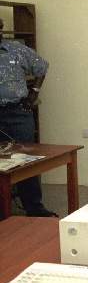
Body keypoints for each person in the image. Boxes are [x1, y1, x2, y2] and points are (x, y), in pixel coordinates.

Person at [0, 17, 57, 217]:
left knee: (26, 160)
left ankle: (34, 208)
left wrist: (34, 92)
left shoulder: (16, 50)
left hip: (17, 113)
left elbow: (42, 67)